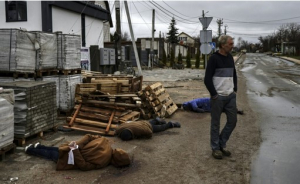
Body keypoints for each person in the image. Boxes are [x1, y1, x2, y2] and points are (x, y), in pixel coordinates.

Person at [204, 35, 237, 159]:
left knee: (233, 121)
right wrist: (214, 95)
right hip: (218, 97)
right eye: (230, 44)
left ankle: (222, 144)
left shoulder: (230, 58)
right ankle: (215, 148)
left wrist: (235, 90)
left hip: (230, 96)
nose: (232, 45)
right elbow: (207, 79)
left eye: (232, 43)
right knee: (215, 124)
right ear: (223, 45)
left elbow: (234, 74)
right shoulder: (214, 59)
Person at [25, 134, 130, 171]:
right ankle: (30, 150)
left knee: (57, 149)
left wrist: (77, 144)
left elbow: (88, 136)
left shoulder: (105, 141)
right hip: (72, 158)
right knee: (51, 155)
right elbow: (84, 166)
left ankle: (38, 146)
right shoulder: (103, 162)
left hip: (73, 148)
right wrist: (75, 149)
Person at [116, 117, 181, 141]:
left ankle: (170, 124)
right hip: (143, 122)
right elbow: (116, 131)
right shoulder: (119, 128)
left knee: (162, 128)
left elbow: (149, 133)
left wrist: (144, 137)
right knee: (151, 121)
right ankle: (156, 120)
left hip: (148, 126)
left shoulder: (140, 130)